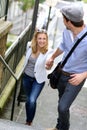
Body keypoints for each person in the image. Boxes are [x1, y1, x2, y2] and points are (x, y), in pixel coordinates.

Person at [45, 5, 87, 130]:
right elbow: (63, 46)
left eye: (63, 18)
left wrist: (83, 75)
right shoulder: (66, 31)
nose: (62, 21)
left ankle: (64, 128)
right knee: (61, 104)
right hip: (62, 73)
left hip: (76, 78)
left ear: (69, 21)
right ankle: (59, 127)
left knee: (62, 107)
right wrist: (52, 57)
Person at [22, 29, 53, 126]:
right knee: (28, 99)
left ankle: (29, 121)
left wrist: (49, 65)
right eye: (39, 38)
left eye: (44, 39)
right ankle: (28, 120)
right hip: (26, 77)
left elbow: (49, 61)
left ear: (47, 40)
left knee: (32, 100)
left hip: (38, 80)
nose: (42, 41)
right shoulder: (29, 46)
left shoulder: (49, 51)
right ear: (36, 39)